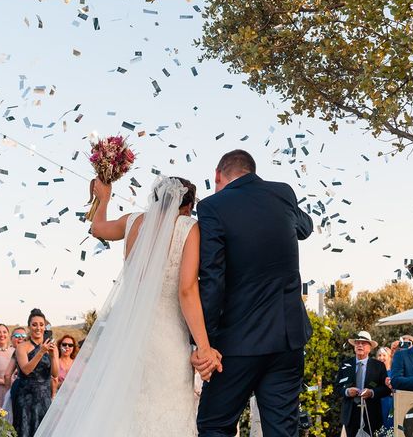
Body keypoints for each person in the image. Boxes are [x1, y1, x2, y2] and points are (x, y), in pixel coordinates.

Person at [35, 176, 222, 436]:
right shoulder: (188, 227)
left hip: (127, 336)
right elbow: (187, 291)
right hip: (166, 339)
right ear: (188, 206)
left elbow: (98, 228)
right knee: (164, 408)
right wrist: (204, 347)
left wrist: (104, 197)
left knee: (124, 410)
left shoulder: (134, 221)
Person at [193, 149, 313, 437]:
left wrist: (204, 342)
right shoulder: (283, 193)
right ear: (252, 171)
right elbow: (305, 227)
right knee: (283, 430)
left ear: (218, 176)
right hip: (287, 340)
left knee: (214, 425)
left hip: (237, 343)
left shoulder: (212, 207)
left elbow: (212, 278)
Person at [12, 308, 59, 437]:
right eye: (34, 324)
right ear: (29, 327)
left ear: (45, 327)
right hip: (26, 397)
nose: (38, 328)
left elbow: (55, 374)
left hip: (44, 397)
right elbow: (26, 370)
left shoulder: (51, 346)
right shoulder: (22, 347)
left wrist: (53, 355)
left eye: (41, 324)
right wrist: (41, 352)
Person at [335, 331, 390, 437]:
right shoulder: (346, 364)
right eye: (357, 343)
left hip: (372, 414)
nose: (360, 345)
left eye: (363, 343)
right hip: (350, 415)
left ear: (370, 348)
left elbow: (386, 389)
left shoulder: (378, 366)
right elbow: (337, 387)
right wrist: (346, 392)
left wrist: (372, 392)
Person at [1, 327, 27, 423]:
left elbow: (7, 375)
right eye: (17, 336)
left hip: (20, 390)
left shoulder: (18, 352)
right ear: (11, 339)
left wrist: (9, 391)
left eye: (23, 336)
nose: (20, 338)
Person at [375, 346, 393, 431]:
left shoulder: (394, 373)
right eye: (379, 355)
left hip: (389, 404)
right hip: (376, 404)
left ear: (390, 357)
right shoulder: (374, 373)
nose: (381, 358)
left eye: (384, 355)